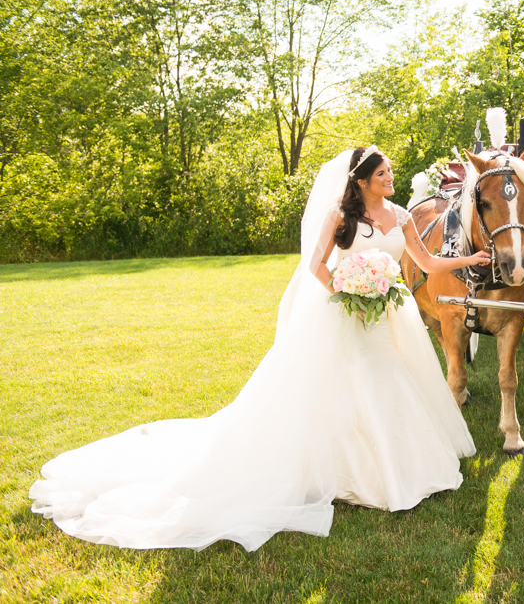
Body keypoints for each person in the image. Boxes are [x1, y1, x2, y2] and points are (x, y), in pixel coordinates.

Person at [29, 146, 491, 551]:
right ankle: (356, 474)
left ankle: (405, 464)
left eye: (391, 173)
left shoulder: (403, 216)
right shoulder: (341, 218)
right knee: (356, 383)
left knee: (396, 380)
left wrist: (469, 258)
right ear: (362, 182)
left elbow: (426, 261)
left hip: (389, 314)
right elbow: (316, 267)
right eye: (383, 174)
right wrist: (347, 292)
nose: (390, 179)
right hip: (347, 312)